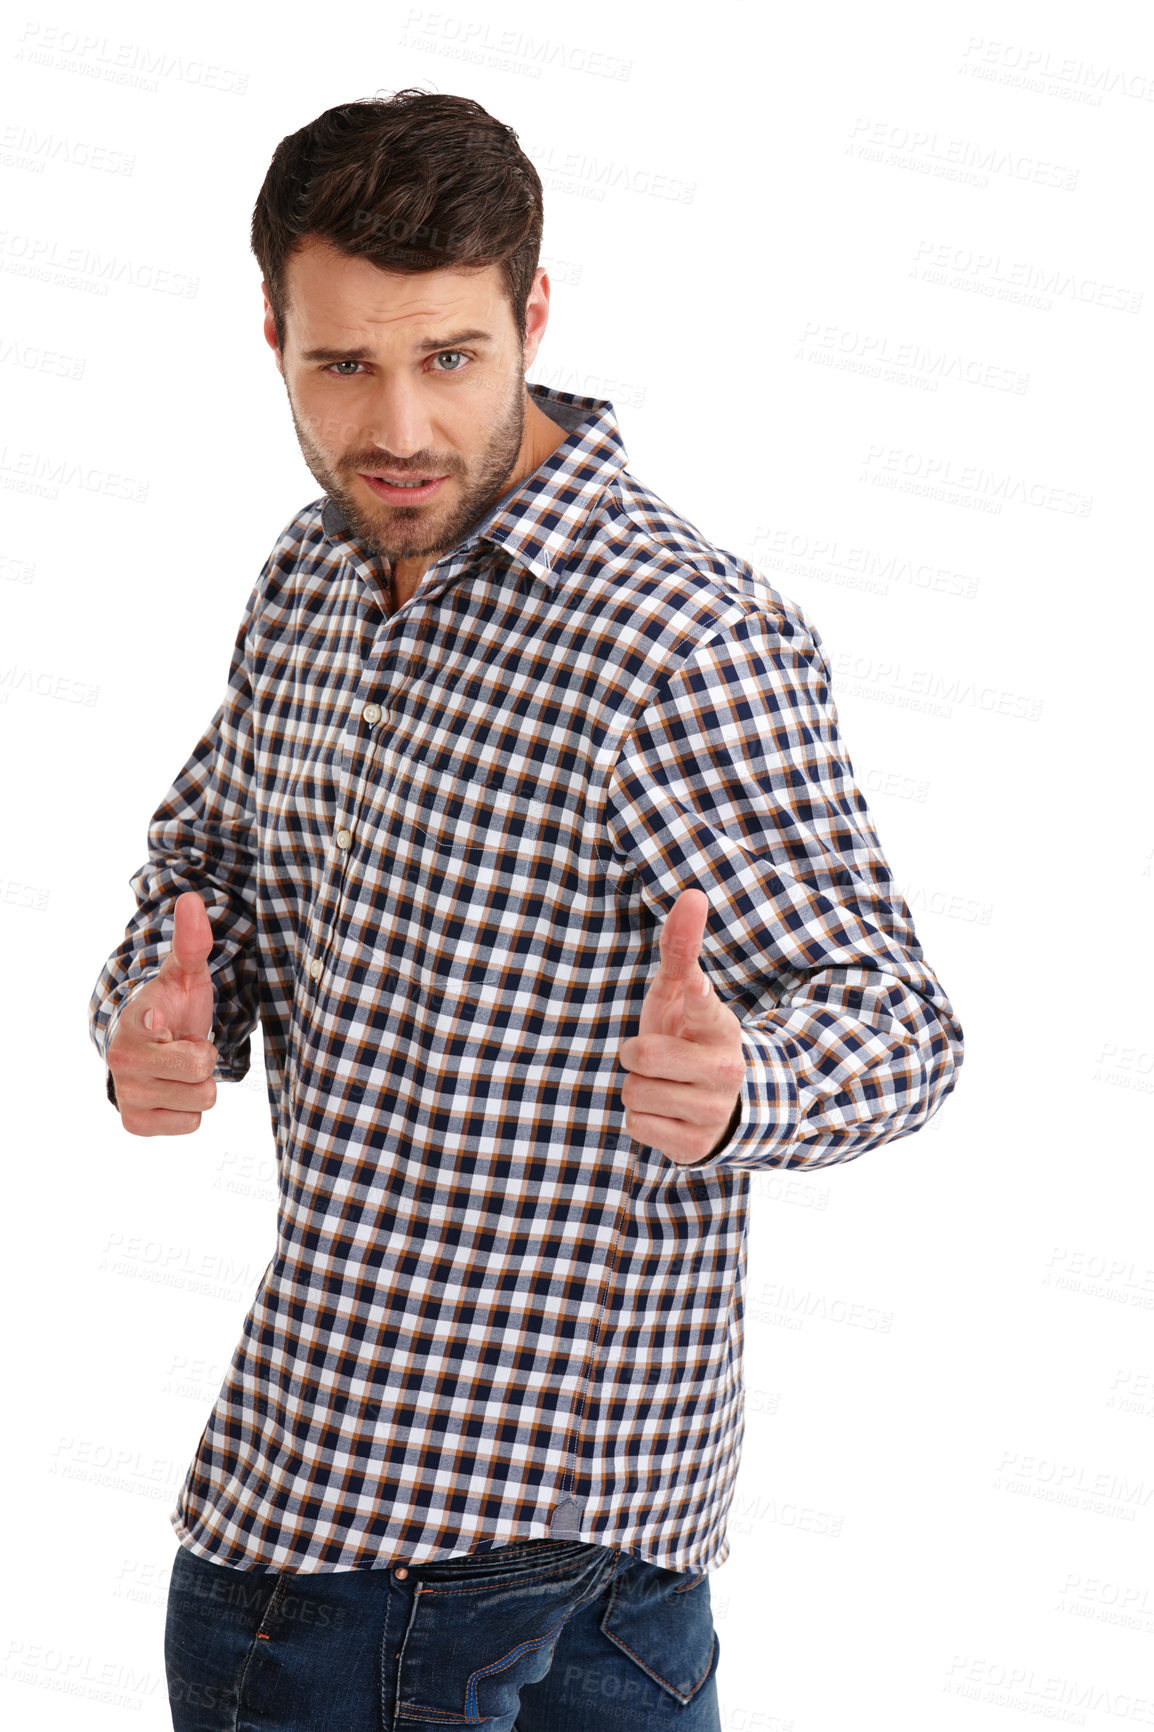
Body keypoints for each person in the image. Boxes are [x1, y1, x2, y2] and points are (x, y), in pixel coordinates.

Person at [89, 89, 965, 1732]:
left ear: (531, 318)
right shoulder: (312, 574)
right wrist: (161, 1011)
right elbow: (208, 866)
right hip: (375, 1486)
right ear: (271, 331)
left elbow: (896, 1021)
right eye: (341, 365)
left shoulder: (675, 642)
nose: (397, 425)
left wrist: (743, 1092)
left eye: (449, 358)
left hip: (478, 1552)